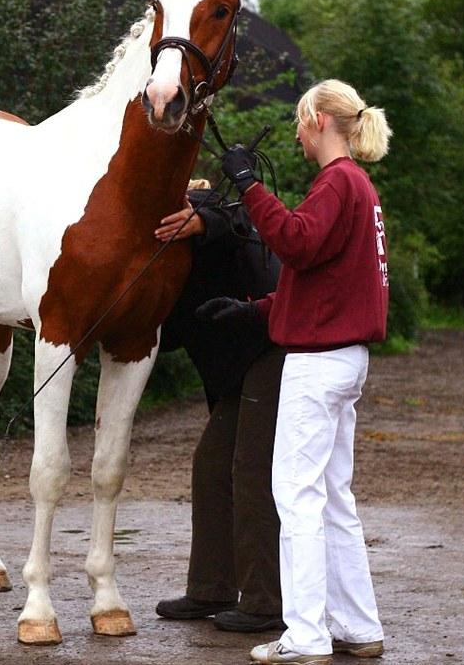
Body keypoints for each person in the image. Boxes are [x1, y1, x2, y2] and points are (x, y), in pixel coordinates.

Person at [207, 79, 391, 664]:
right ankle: (359, 629)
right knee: (334, 498)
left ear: (317, 118)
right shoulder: (358, 186)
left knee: (297, 495)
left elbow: (294, 241)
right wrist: (256, 311)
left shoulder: (337, 181)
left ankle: (307, 636)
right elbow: (324, 278)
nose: (294, 131)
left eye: (297, 120)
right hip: (345, 359)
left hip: (317, 366)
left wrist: (247, 184)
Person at [154, 182, 287, 633]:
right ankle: (210, 588)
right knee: (210, 465)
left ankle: (265, 602)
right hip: (233, 373)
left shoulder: (204, 204)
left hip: (270, 350)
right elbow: (170, 336)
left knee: (251, 472)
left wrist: (201, 219)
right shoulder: (152, 248)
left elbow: (239, 222)